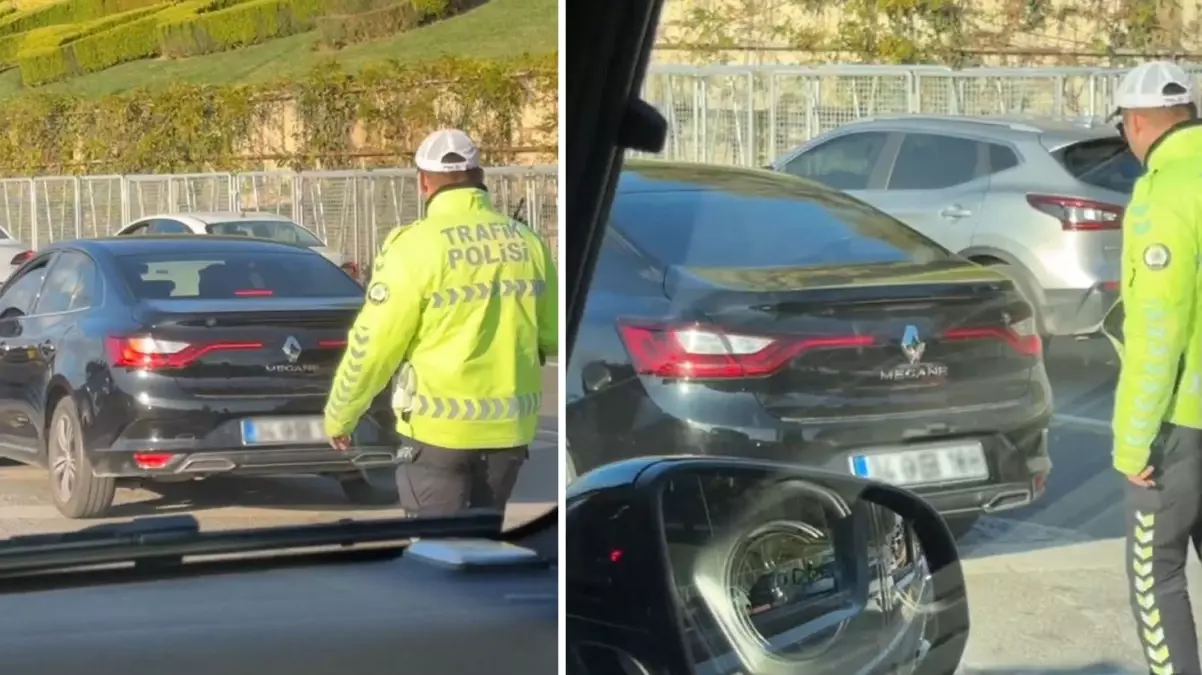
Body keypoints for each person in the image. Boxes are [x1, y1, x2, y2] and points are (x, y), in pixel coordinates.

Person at [323, 128, 558, 518]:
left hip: (436, 434)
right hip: (509, 431)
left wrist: (341, 415)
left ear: (423, 183)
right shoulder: (526, 243)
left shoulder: (413, 247)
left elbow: (374, 345)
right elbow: (550, 336)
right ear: (480, 177)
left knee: (436, 557)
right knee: (485, 550)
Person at [1105, 60, 1202, 675]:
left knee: (1155, 570)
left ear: (1137, 123)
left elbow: (1157, 326)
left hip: (1181, 422)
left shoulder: (1161, 194)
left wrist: (1133, 439)